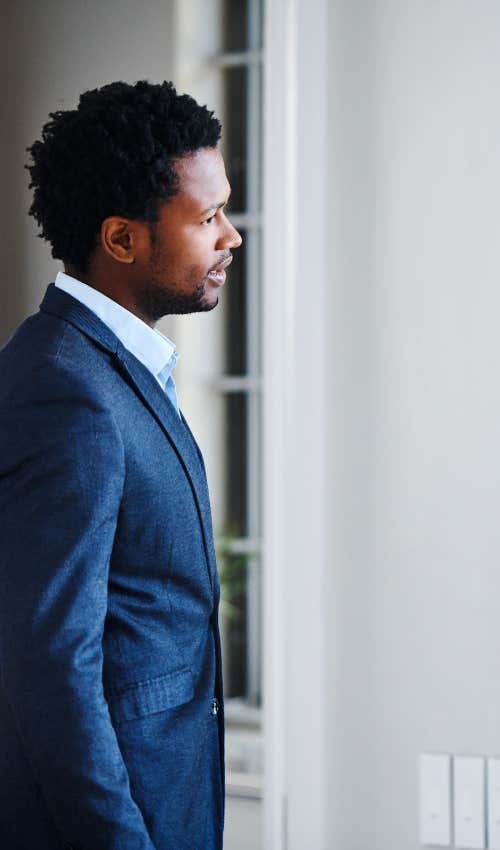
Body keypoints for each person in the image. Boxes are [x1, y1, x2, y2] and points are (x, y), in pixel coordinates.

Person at [0, 80, 242, 849]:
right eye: (206, 218)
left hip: (170, 800)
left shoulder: (116, 371)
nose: (231, 236)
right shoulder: (65, 392)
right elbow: (51, 665)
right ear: (121, 239)